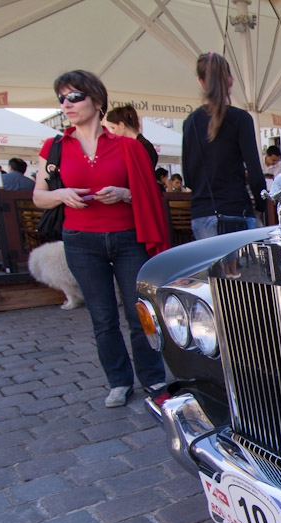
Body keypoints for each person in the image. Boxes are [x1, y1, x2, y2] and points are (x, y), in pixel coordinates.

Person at [33, 69, 169, 409]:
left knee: (139, 312)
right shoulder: (54, 147)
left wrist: (125, 193)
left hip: (126, 238)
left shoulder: (126, 146)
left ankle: (152, 376)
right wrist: (61, 193)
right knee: (102, 316)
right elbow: (39, 197)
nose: (66, 104)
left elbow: (149, 195)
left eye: (74, 97)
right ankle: (119, 381)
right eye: (61, 98)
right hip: (81, 240)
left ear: (97, 100)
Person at [182, 52, 266, 240]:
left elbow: (188, 177)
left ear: (200, 82)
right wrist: (261, 206)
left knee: (212, 269)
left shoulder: (190, 123)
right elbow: (255, 173)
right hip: (236, 210)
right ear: (230, 81)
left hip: (201, 213)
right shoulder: (241, 119)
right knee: (249, 269)